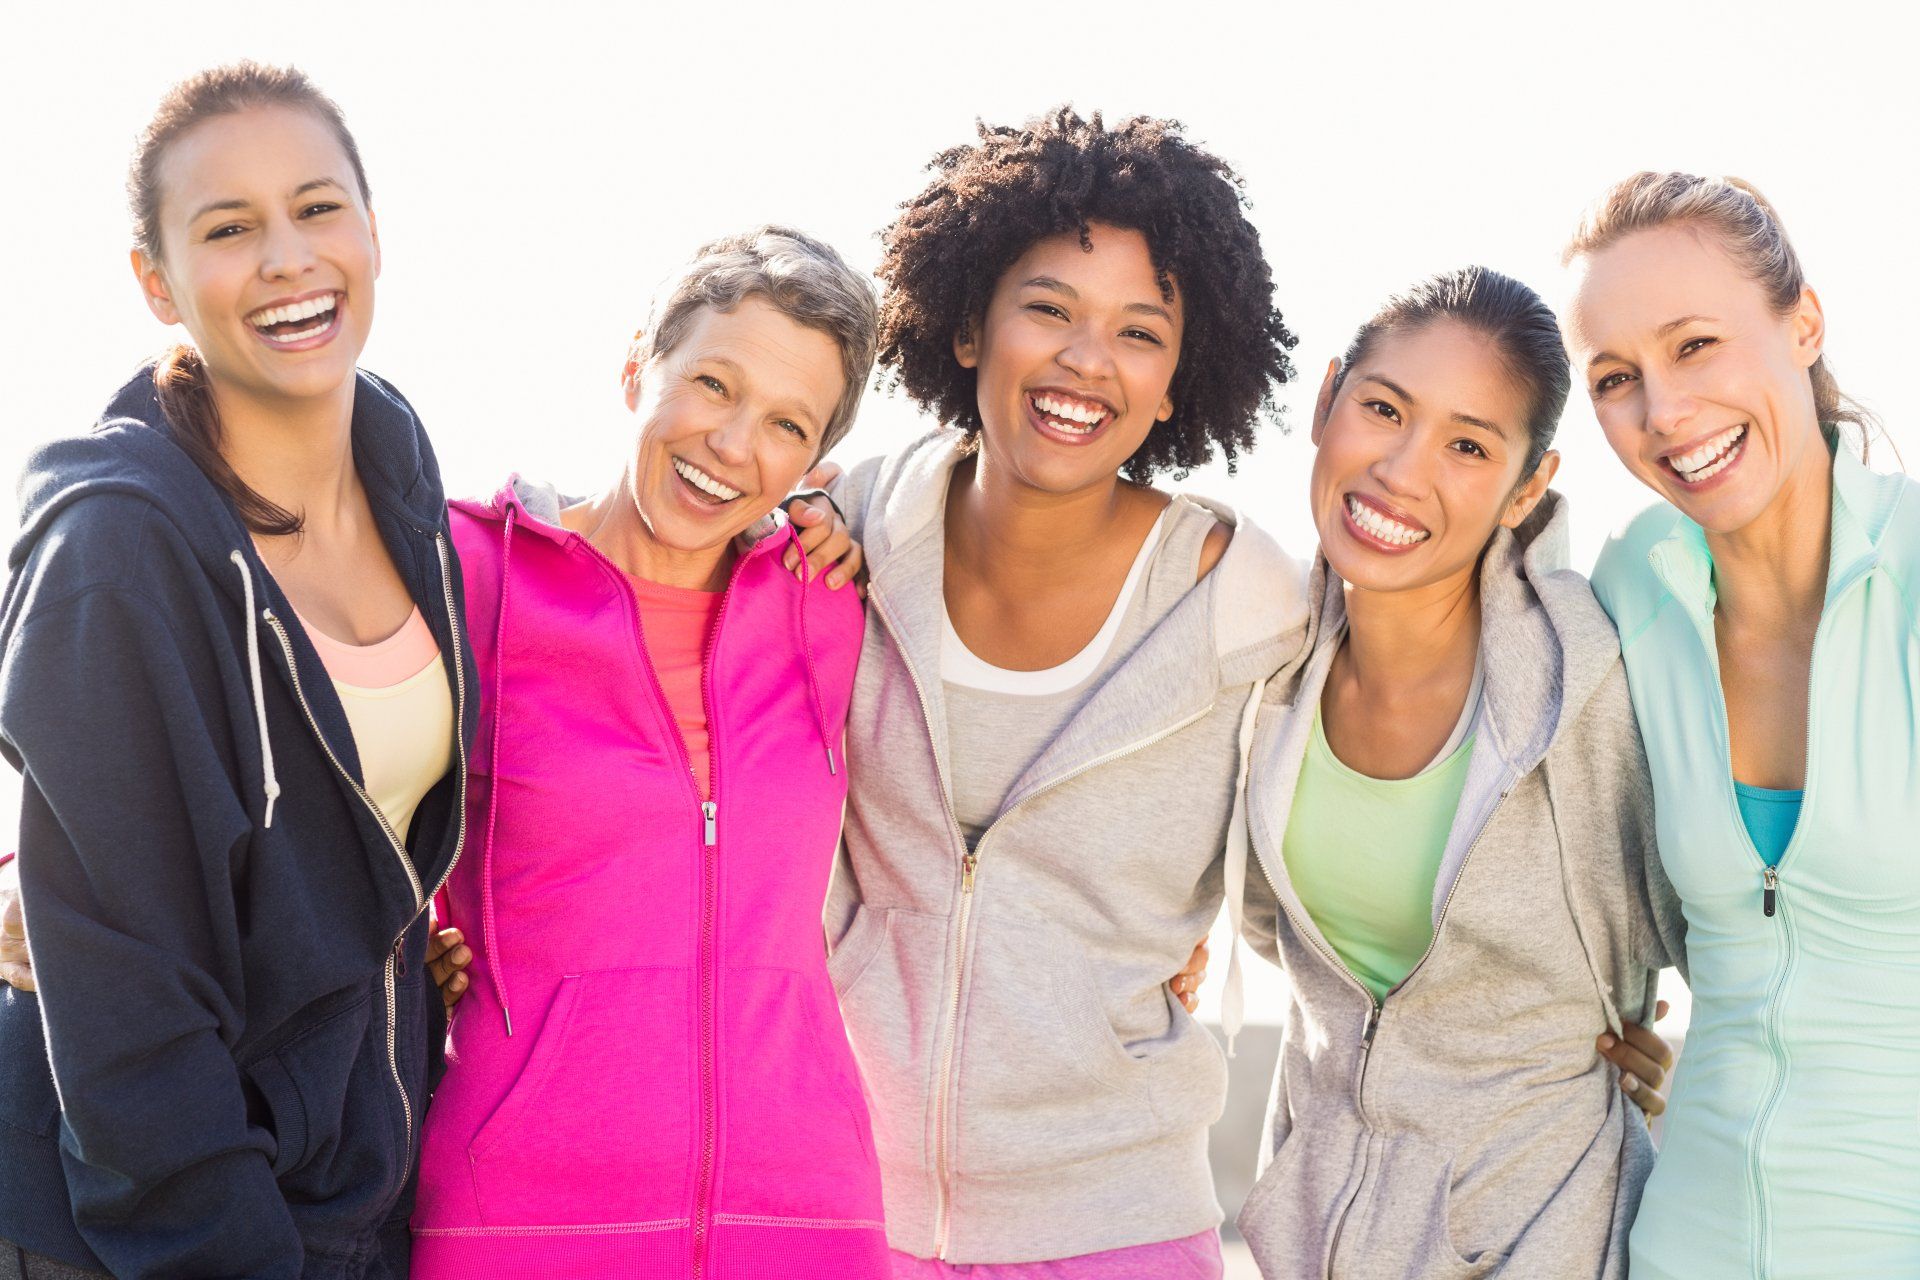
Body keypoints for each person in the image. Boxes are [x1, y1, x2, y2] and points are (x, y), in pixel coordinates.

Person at [0, 64, 474, 1280]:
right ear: (156, 281)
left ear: (373, 232)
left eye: (318, 207)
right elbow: (132, 1011)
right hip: (136, 1230)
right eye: (227, 228)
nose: (286, 257)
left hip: (349, 1200)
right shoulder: (115, 554)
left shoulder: (408, 494)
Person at [818, 108, 1306, 1278]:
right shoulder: (840, 543)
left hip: (1120, 1223)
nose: (1088, 361)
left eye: (1141, 332)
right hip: (837, 1203)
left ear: (1180, 382)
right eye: (1049, 308)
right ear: (972, 325)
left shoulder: (1244, 604)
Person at [407, 226, 891, 1279]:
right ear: (638, 366)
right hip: (522, 1212)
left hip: (801, 1217)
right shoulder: (469, 575)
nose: (732, 443)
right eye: (714, 383)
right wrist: (63, 879)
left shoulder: (826, 604)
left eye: (784, 425)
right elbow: (273, 739)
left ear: (814, 463)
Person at [1234, 268, 1683, 1278]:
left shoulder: (1593, 675)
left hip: (1546, 1240)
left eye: (1468, 445)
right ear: (1327, 397)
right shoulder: (1262, 658)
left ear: (1529, 486)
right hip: (1319, 1247)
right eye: (1384, 407)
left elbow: (1730, 920)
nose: (1400, 468)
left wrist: (1643, 1028)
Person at [1567, 171, 1920, 1279]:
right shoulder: (1634, 595)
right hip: (1689, 1242)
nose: (1664, 413)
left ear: (1803, 324)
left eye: (1696, 345)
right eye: (1616, 378)